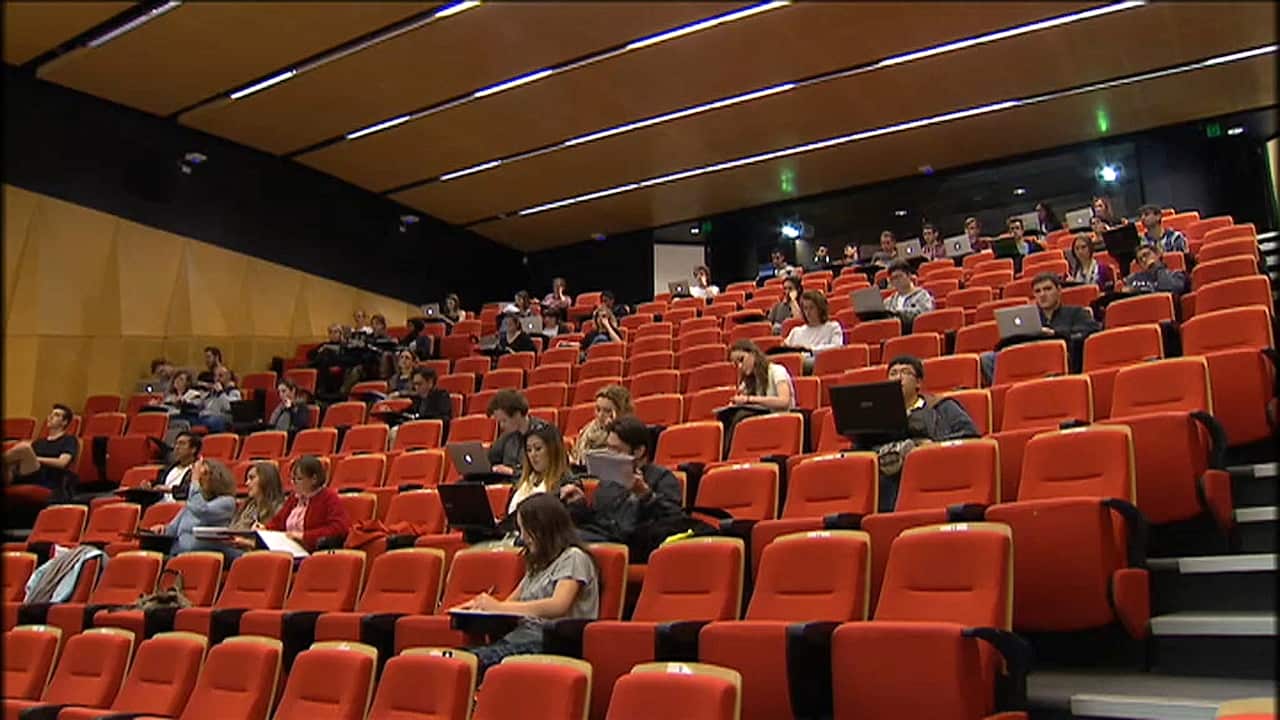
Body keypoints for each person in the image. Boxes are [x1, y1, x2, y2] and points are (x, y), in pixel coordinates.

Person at [458, 493, 599, 675]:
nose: (523, 538)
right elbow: (509, 604)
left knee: (467, 664)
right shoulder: (538, 563)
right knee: (455, 659)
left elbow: (558, 606)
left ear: (544, 529)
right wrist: (481, 607)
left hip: (549, 643)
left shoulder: (574, 557)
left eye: (526, 530)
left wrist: (499, 606)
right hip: (519, 638)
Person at [869, 357, 980, 512]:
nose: (898, 377)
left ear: (918, 383)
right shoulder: (876, 418)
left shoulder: (942, 407)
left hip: (935, 473)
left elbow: (970, 435)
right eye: (893, 373)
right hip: (889, 483)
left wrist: (933, 446)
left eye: (905, 372)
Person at [572, 416, 687, 561]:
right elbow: (597, 520)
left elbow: (675, 521)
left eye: (616, 450)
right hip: (602, 537)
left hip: (635, 544)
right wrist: (579, 503)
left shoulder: (662, 477)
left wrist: (645, 495)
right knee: (556, 535)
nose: (609, 455)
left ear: (638, 451)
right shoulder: (608, 480)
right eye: (608, 448)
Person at [980, 273, 1101, 383]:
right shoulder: (1029, 318)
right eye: (1037, 291)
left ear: (1059, 290)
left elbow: (1091, 332)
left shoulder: (1076, 312)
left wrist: (1055, 333)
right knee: (987, 358)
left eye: (1047, 289)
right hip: (1030, 359)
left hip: (1058, 361)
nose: (1042, 295)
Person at [150, 459, 238, 556]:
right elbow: (173, 529)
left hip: (203, 557)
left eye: (204, 474)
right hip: (177, 554)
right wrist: (163, 529)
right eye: (198, 474)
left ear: (216, 478)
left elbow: (202, 510)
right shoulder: (193, 501)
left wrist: (194, 482)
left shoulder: (227, 502)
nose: (200, 478)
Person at [263, 455, 351, 551]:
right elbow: (278, 523)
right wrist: (265, 529)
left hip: (313, 551)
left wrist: (304, 536)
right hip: (288, 548)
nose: (294, 483)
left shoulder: (329, 497)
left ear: (314, 479)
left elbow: (339, 529)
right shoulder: (294, 498)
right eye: (292, 479)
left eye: (299, 479)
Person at [3, 404, 78, 503]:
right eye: (50, 414)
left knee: (24, 447)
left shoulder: (69, 440)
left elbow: (62, 462)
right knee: (10, 464)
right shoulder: (39, 442)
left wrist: (36, 458)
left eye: (56, 415)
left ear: (64, 422)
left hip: (48, 478)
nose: (50, 417)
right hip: (27, 473)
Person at [508, 424, 577, 517]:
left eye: (538, 449)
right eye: (529, 450)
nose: (533, 454)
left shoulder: (567, 483)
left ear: (553, 450)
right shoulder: (520, 481)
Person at [221, 461, 287, 559]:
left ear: (266, 480)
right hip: (237, 549)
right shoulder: (247, 506)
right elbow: (234, 529)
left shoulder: (280, 508)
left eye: (252, 478)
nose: (247, 483)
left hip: (258, 554)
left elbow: (275, 544)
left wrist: (246, 542)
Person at [486, 390, 553, 478]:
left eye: (504, 421)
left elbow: (547, 471)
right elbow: (489, 459)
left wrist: (513, 472)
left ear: (517, 415)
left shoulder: (545, 432)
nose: (501, 426)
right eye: (499, 422)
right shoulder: (506, 436)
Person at [568, 384, 633, 466]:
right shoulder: (587, 430)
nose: (600, 415)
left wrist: (611, 429)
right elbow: (576, 455)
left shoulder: (627, 434)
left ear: (620, 411)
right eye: (598, 409)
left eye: (607, 411)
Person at [784, 291, 844, 371]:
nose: (808, 312)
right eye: (805, 308)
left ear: (820, 309)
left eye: (811, 308)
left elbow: (837, 347)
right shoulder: (796, 331)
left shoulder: (832, 327)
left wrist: (810, 350)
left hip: (822, 365)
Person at [730, 340, 795, 411]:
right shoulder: (748, 381)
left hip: (783, 418)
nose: (740, 366)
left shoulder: (777, 371)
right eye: (736, 364)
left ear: (753, 354)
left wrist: (749, 399)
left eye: (742, 359)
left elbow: (784, 401)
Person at [145, 431, 201, 503]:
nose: (177, 447)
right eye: (176, 444)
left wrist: (170, 490)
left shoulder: (199, 470)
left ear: (193, 449)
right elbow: (159, 483)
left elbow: (192, 492)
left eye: (182, 444)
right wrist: (150, 485)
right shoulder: (168, 468)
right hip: (161, 505)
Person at [1121, 245, 1189, 297]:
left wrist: (1157, 267)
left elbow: (1168, 289)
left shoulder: (1176, 275)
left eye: (1146, 255)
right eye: (1140, 260)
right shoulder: (1133, 279)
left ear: (1157, 254)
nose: (1144, 260)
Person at [883, 262, 935, 326]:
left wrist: (897, 313)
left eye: (899, 276)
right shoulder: (888, 301)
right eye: (893, 279)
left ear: (909, 276)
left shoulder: (922, 295)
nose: (896, 280)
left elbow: (925, 314)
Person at [195, 365, 240, 432]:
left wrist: (221, 392)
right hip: (207, 416)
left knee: (213, 420)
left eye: (220, 376)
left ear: (228, 376)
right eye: (215, 376)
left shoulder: (233, 391)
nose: (217, 379)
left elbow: (229, 407)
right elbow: (204, 406)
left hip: (224, 417)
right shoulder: (213, 391)